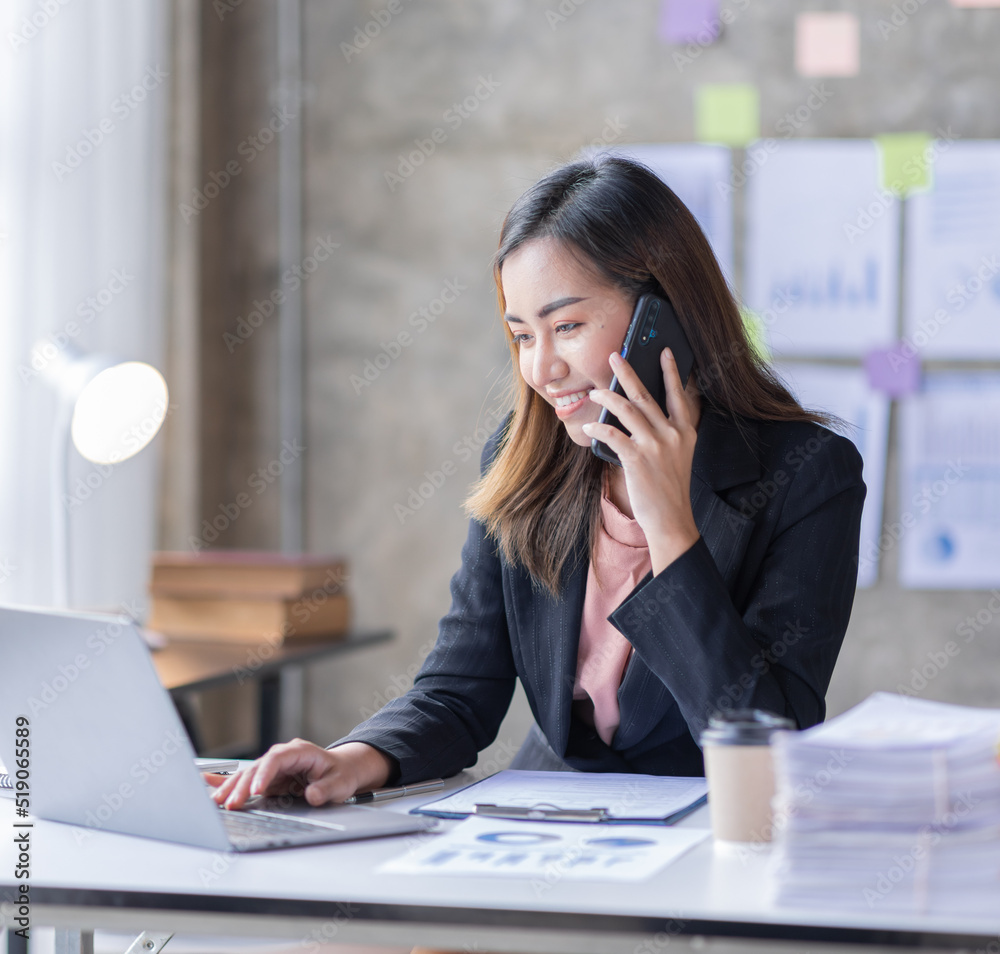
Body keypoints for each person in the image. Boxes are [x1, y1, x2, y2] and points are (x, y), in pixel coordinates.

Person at [210, 155, 866, 811]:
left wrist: (669, 527)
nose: (541, 368)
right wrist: (353, 759)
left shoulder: (805, 475)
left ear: (661, 319)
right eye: (523, 336)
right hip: (550, 821)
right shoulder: (527, 459)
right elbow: (460, 689)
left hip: (712, 832)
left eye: (567, 327)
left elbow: (768, 744)